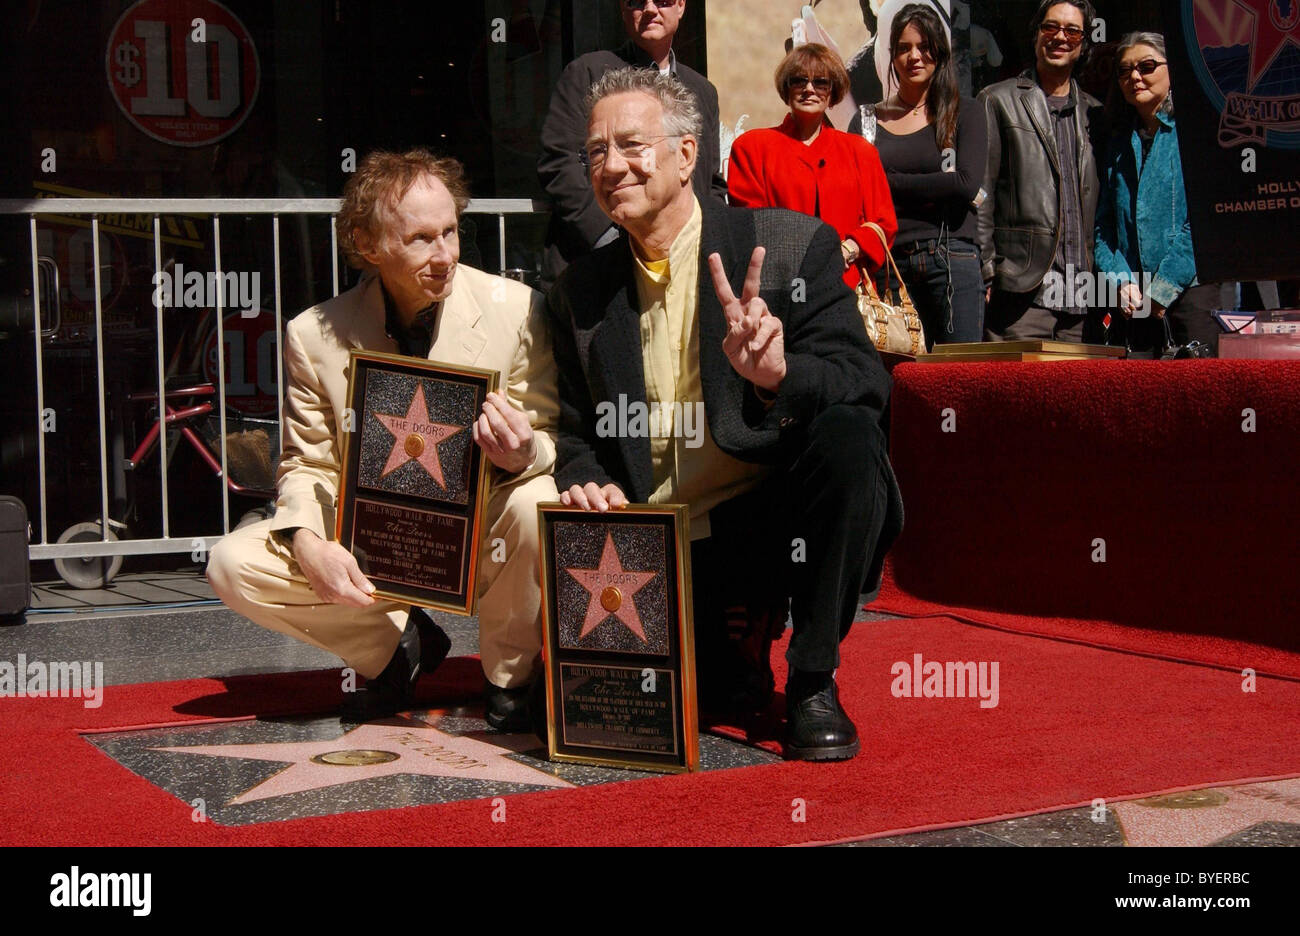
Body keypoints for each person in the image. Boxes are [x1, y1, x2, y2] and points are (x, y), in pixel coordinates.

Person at [547, 67, 903, 761]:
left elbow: (866, 384)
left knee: (850, 435)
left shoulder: (790, 246)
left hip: (765, 518)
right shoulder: (579, 290)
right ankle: (733, 642)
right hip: (658, 543)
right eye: (595, 153)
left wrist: (778, 377)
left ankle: (811, 678)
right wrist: (588, 473)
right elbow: (567, 424)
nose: (611, 166)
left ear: (686, 157)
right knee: (674, 701)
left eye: (631, 146)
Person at [206, 150, 559, 730]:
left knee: (533, 497)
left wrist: (524, 452)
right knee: (230, 563)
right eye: (421, 239)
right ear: (368, 244)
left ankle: (510, 679)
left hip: (481, 537)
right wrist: (306, 541)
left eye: (451, 231)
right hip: (375, 548)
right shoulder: (313, 335)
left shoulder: (516, 310)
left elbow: (547, 438)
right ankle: (397, 649)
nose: (445, 255)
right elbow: (307, 463)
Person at [537, 0, 726, 289]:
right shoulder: (587, 73)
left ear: (682, 7)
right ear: (623, 10)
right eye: (637, 1)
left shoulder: (702, 91)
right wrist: (615, 241)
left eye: (663, 1)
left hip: (682, 267)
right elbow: (560, 164)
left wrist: (700, 244)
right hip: (597, 269)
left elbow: (710, 183)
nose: (650, 9)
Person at [977, 0, 1107, 342]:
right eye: (1050, 27)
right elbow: (981, 192)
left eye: (1072, 31)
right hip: (1023, 292)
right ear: (1036, 35)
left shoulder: (1097, 114)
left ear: (1083, 44)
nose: (1060, 37)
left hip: (1083, 295)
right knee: (1020, 393)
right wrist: (986, 269)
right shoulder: (998, 100)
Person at [727, 43, 897, 291]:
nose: (809, 89)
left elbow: (884, 223)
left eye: (820, 82)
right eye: (799, 81)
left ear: (833, 91)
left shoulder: (861, 152)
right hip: (781, 291)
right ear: (787, 88)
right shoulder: (752, 148)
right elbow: (749, 225)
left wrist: (848, 250)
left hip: (846, 289)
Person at [872, 3, 988, 346]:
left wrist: (890, 181)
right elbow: (860, 189)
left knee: (957, 379)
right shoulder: (867, 120)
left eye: (924, 47)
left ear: (940, 52)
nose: (914, 56)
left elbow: (966, 185)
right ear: (891, 57)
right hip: (888, 267)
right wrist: (938, 184)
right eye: (904, 48)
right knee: (894, 380)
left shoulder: (966, 112)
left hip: (951, 261)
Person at [1094, 32, 1215, 357]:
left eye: (1147, 66)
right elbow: (1104, 227)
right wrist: (1120, 282)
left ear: (1171, 68)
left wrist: (1163, 288)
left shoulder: (1195, 132)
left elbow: (1204, 220)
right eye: (1124, 70)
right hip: (1133, 303)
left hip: (1190, 295)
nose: (1134, 76)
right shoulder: (1117, 143)